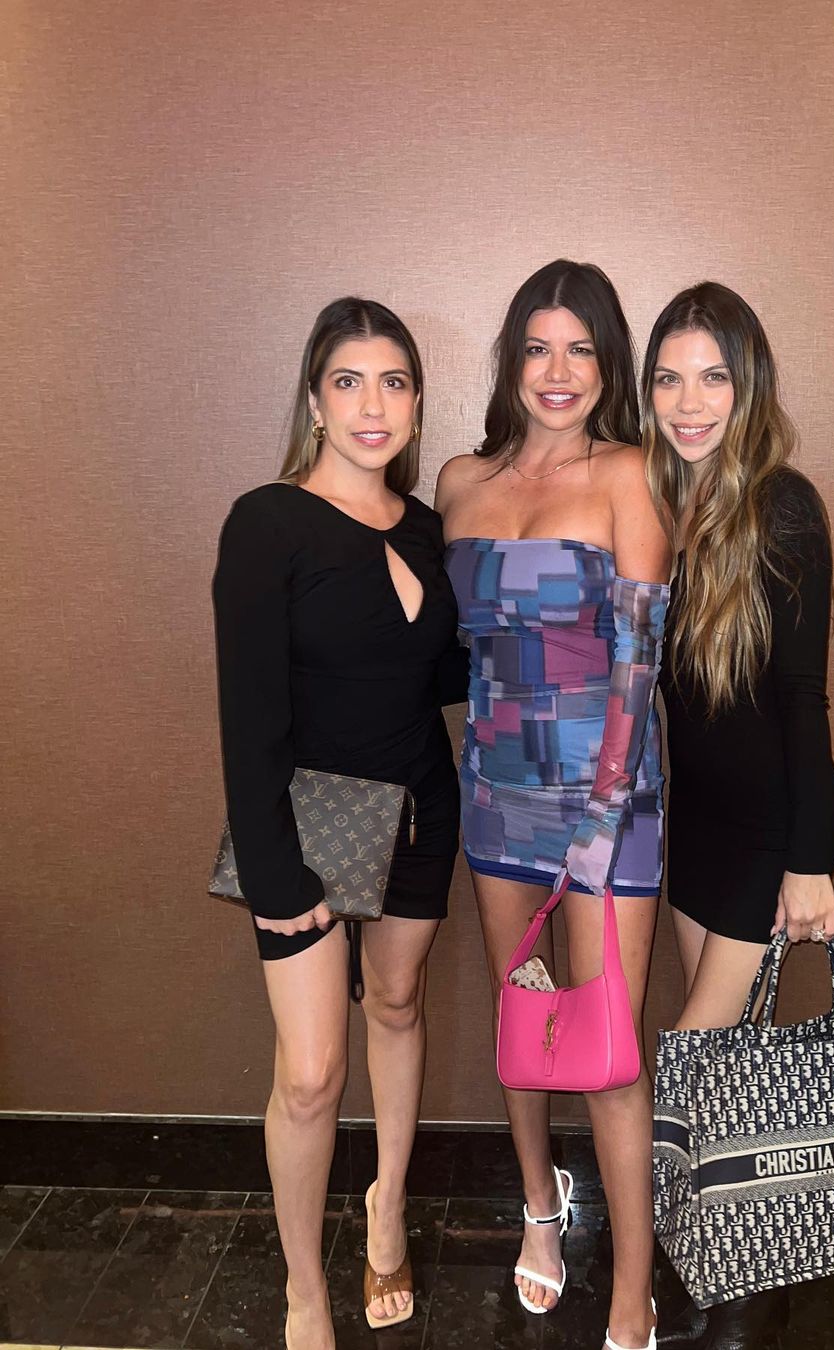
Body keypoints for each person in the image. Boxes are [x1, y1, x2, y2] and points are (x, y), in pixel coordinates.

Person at [212, 297, 463, 1346]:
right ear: (315, 402)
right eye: (349, 382)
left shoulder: (429, 528)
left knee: (397, 1005)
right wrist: (277, 880)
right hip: (305, 829)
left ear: (415, 402)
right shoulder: (266, 522)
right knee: (311, 1074)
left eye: (393, 382)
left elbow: (442, 675)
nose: (373, 405)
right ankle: (305, 1288)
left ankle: (386, 1208)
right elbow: (247, 718)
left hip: (421, 810)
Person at [436, 260, 670, 1350]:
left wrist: (600, 821)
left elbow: (640, 660)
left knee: (611, 1051)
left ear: (607, 364)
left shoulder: (629, 473)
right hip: (496, 797)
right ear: (512, 362)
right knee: (523, 1017)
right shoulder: (459, 481)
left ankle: (631, 1290)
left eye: (580, 349)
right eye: (538, 348)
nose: (558, 370)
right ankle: (540, 1205)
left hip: (606, 806)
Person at [642, 282, 834, 1350]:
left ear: (749, 383)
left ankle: (739, 1293)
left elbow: (805, 699)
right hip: (698, 828)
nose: (690, 402)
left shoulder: (783, 506)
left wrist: (810, 860)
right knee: (729, 1069)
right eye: (670, 379)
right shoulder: (663, 506)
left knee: (693, 1055)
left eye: (713, 376)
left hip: (769, 833)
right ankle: (737, 1268)